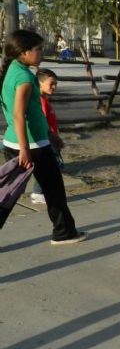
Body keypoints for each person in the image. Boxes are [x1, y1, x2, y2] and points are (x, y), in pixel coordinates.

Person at [0, 30, 87, 244]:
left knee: (9, 196)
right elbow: (19, 115)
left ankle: (65, 231)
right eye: (38, 49)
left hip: (28, 141)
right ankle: (64, 232)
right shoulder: (24, 77)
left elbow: (33, 113)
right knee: (53, 190)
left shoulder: (14, 69)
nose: (42, 53)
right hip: (30, 145)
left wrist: (49, 134)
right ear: (23, 52)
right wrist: (24, 149)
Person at [28, 69, 66, 205]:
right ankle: (38, 193)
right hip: (48, 140)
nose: (54, 87)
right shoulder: (41, 101)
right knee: (50, 168)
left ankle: (42, 192)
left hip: (50, 139)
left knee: (52, 167)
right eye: (51, 84)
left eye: (56, 84)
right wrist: (53, 138)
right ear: (40, 83)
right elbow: (42, 122)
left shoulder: (44, 99)